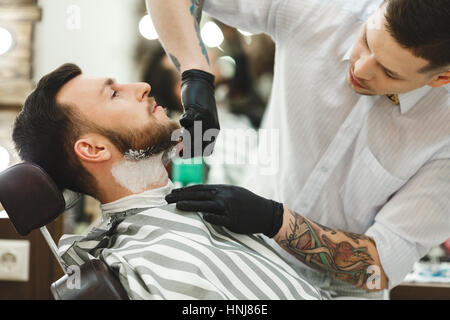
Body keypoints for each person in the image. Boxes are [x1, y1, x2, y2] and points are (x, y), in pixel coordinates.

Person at [148, 0, 450, 298]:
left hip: (337, 293)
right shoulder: (322, 9)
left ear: (441, 78)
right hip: (245, 263)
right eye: (367, 40)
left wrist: (276, 221)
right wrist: (195, 75)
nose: (361, 67)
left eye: (390, 73)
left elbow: (379, 268)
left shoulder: (444, 137)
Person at [11, 63, 322, 300]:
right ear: (94, 149)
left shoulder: (204, 205)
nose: (143, 86)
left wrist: (274, 220)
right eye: (115, 94)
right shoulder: (144, 269)